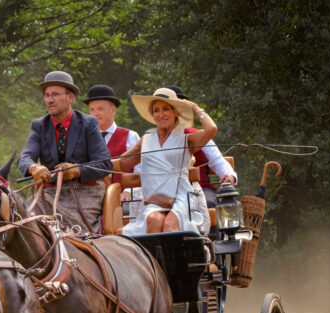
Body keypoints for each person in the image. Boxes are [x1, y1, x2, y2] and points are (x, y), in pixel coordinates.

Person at [18, 70, 111, 233]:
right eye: (47, 95)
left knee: (67, 228)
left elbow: (104, 164)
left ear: (70, 98)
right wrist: (34, 168)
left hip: (85, 192)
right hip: (49, 194)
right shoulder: (40, 126)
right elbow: (25, 158)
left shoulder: (88, 123)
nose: (49, 100)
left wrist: (76, 171)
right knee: (23, 222)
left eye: (55, 94)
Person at [119, 87, 218, 233]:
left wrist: (195, 107)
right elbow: (121, 163)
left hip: (181, 197)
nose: (161, 114)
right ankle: (153, 256)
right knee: (154, 220)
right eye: (156, 110)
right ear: (152, 115)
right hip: (155, 198)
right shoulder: (145, 140)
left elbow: (211, 129)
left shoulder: (186, 139)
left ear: (175, 112)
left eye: (166, 109)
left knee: (169, 226)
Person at [167, 85, 237, 208]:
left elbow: (219, 162)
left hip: (201, 190)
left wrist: (229, 175)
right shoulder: (151, 140)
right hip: (166, 193)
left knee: (208, 204)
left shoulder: (199, 135)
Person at [82, 84, 140, 216]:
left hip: (123, 203)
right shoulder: (84, 140)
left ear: (113, 110)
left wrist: (130, 192)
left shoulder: (130, 136)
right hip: (91, 203)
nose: (95, 113)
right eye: (92, 110)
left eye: (100, 109)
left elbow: (141, 170)